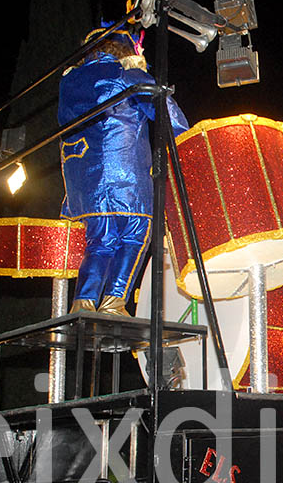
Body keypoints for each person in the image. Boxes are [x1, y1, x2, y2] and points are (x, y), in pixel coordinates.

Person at [59, 24, 189, 316]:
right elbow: (167, 115)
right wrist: (189, 145)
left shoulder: (69, 83)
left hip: (84, 182)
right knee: (135, 233)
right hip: (124, 177)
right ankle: (115, 301)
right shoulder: (126, 75)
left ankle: (84, 300)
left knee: (101, 240)